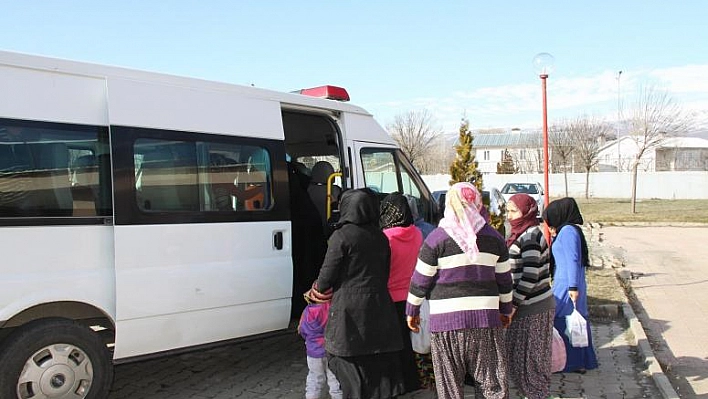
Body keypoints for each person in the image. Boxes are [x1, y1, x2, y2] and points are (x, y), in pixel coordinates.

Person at [406, 182, 513, 399]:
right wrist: (506, 310)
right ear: (477, 203)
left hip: (446, 325)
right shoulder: (495, 239)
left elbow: (420, 281)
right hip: (485, 322)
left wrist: (412, 311)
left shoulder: (436, 239)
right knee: (490, 383)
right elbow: (505, 281)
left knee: (449, 387)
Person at [313, 188, 405, 399]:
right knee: (375, 369)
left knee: (349, 370)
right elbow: (385, 271)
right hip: (380, 308)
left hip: (348, 314)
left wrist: (315, 289)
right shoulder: (381, 237)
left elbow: (325, 279)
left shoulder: (341, 236)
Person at [505, 193, 555, 399]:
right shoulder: (522, 233)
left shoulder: (530, 237)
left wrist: (513, 305)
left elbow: (530, 275)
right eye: (507, 210)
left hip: (533, 309)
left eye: (513, 211)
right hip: (528, 306)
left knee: (531, 361)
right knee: (520, 358)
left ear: (527, 211)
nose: (509, 216)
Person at [542, 197, 598, 374]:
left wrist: (572, 287)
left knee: (564, 320)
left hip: (567, 284)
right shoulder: (571, 230)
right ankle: (578, 361)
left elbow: (573, 260)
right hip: (570, 282)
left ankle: (568, 362)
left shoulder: (567, 232)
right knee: (574, 322)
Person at [380, 192, 424, 393]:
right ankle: (412, 381)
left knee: (391, 344)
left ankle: (395, 385)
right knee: (408, 343)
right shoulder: (416, 233)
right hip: (412, 296)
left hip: (389, 297)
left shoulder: (385, 237)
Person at [298, 288, 343, 399]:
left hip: (313, 353)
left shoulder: (308, 311)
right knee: (335, 379)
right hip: (331, 351)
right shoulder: (333, 309)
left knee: (314, 378)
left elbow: (302, 330)